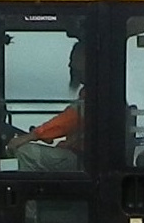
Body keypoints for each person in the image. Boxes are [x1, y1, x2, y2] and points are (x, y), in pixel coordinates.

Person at [6, 42, 85, 171]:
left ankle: (25, 191)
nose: (70, 65)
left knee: (27, 152)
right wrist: (41, 135)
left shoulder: (97, 94)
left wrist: (32, 136)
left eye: (74, 59)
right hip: (81, 159)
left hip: (84, 162)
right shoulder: (88, 93)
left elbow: (68, 120)